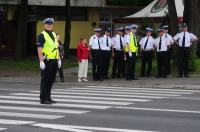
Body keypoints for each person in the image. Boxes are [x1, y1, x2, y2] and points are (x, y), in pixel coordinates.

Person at [37, 18, 61, 104]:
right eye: (47, 24)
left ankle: (48, 97)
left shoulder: (54, 34)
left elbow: (56, 48)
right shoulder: (41, 35)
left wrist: (58, 59)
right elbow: (40, 49)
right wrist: (41, 61)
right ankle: (43, 99)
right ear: (44, 25)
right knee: (45, 80)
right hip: (46, 61)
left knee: (51, 80)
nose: (49, 25)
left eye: (51, 24)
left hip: (54, 60)